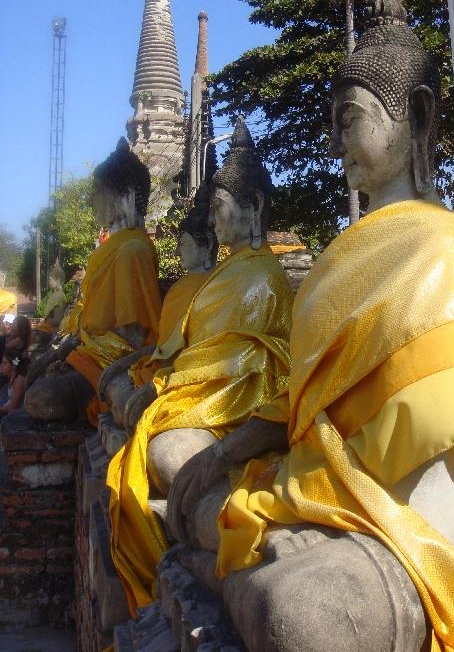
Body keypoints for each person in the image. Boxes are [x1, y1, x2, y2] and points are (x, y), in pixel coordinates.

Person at [167, 0, 454, 652]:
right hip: (319, 494)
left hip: (411, 527)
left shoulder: (448, 246)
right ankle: (238, 558)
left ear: (416, 116)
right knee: (184, 462)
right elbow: (309, 408)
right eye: (330, 126)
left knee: (302, 617)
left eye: (350, 121)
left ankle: (237, 567)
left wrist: (388, 541)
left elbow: (445, 463)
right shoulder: (337, 259)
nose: (335, 146)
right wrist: (231, 453)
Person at [107, 119, 294, 615]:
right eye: (211, 209)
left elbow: (246, 360)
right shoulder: (228, 271)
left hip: (230, 404)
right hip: (195, 390)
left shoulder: (264, 277)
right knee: (134, 410)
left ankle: (233, 543)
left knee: (169, 456)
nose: (212, 222)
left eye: (219, 208)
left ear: (252, 209)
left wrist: (170, 383)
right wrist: (158, 377)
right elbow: (190, 344)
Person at [24, 138, 162, 427]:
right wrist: (62, 352)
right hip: (88, 352)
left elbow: (135, 335)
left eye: (98, 193)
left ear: (124, 197)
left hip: (113, 361)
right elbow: (88, 320)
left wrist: (80, 359)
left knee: (41, 398)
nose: (91, 201)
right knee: (34, 376)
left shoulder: (133, 250)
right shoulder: (110, 249)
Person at [98, 184, 217, 433]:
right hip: (155, 369)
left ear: (206, 246)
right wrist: (118, 366)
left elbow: (201, 354)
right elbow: (164, 344)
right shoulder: (178, 289)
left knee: (132, 409)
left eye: (183, 244)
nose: (176, 251)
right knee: (114, 385)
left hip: (186, 377)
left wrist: (157, 387)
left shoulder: (215, 288)